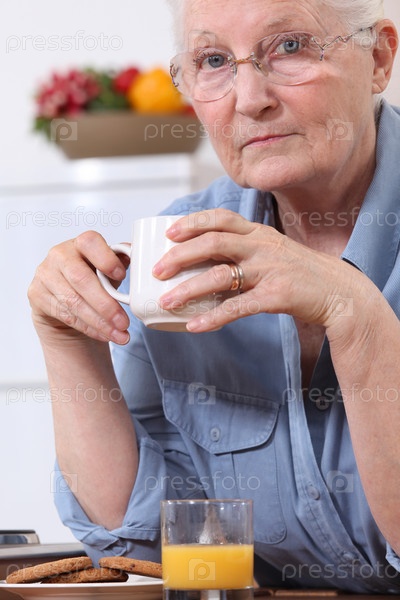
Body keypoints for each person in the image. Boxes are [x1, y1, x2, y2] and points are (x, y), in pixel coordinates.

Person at [28, 0, 400, 593]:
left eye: (291, 47)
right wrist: (68, 344)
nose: (250, 100)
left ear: (378, 58)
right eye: (213, 60)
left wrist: (355, 314)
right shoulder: (182, 247)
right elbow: (144, 547)